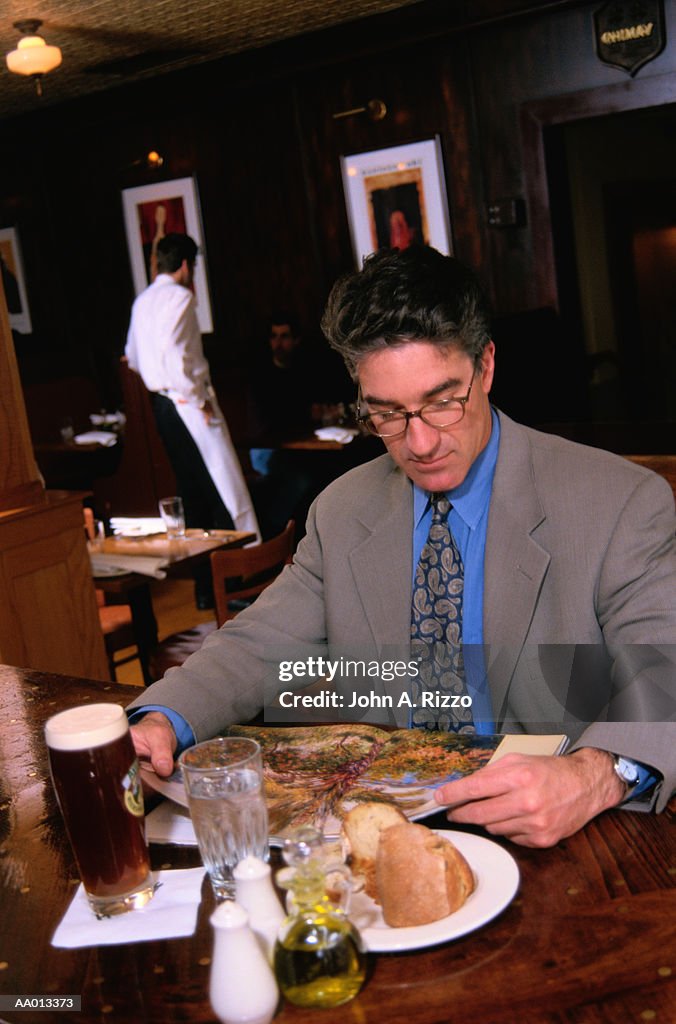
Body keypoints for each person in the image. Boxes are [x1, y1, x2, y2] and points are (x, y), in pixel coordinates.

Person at [128, 246, 675, 847]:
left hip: (557, 839)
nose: (420, 443)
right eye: (386, 413)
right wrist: (163, 718)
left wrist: (596, 775)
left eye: (442, 402)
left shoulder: (619, 503)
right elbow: (256, 644)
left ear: (486, 366)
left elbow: (665, 674)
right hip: (388, 836)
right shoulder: (341, 512)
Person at [125, 233, 260, 604]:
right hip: (188, 403)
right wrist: (198, 399)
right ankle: (232, 585)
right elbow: (176, 353)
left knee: (193, 492)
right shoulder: (181, 298)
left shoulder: (142, 301)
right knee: (221, 491)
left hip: (161, 407)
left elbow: (132, 356)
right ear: (186, 266)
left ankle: (205, 589)